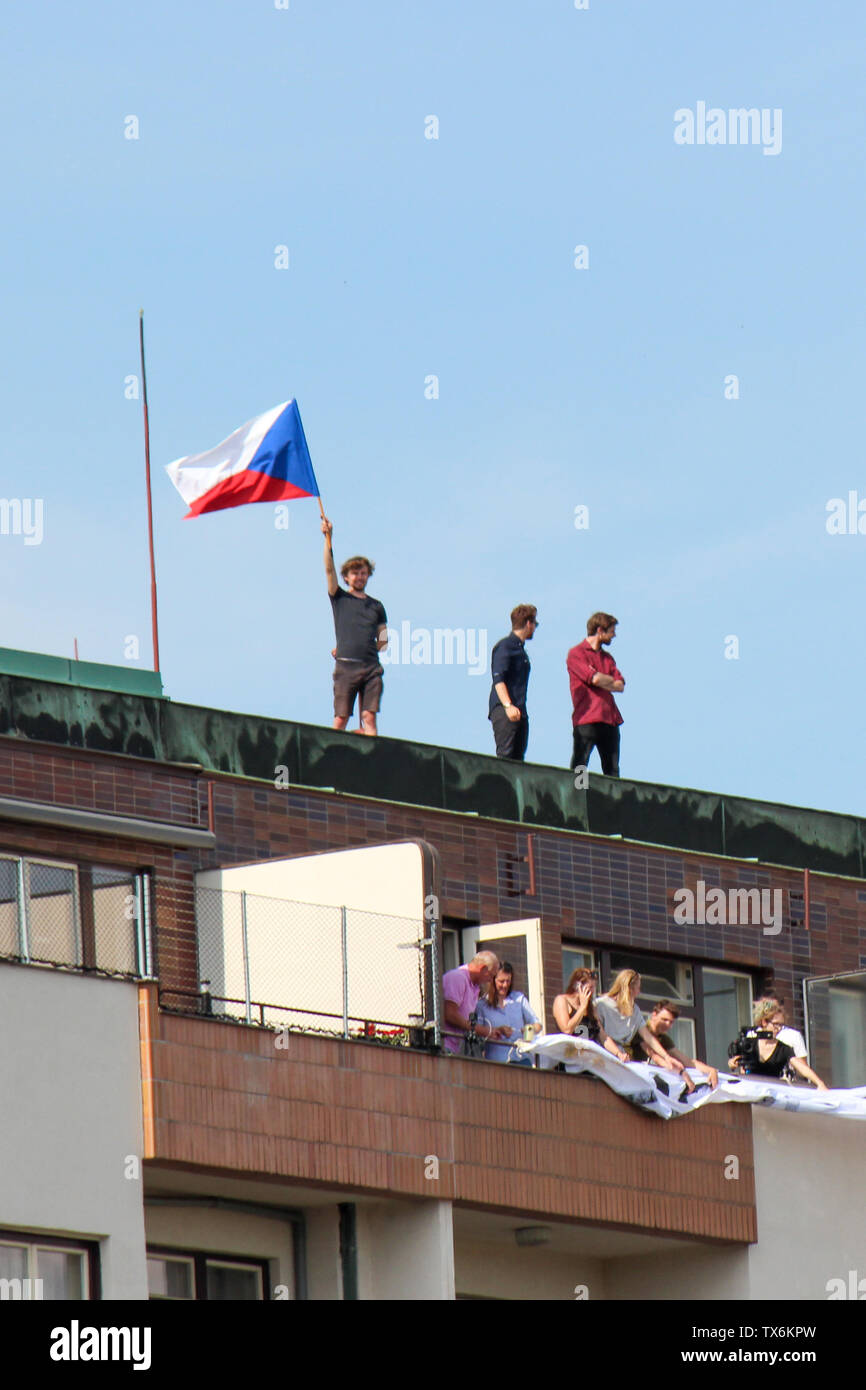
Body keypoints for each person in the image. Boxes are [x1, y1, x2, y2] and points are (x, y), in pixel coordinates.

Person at [322, 517, 388, 736]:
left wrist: (364, 647)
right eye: (355, 573)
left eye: (363, 573)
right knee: (340, 718)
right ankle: (331, 752)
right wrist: (328, 538)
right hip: (346, 666)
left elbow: (384, 640)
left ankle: (372, 756)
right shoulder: (340, 598)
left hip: (370, 667)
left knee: (369, 718)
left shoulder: (377, 606)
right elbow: (329, 571)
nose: (360, 577)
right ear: (347, 577)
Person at [594, 969, 691, 1084]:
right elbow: (602, 1035)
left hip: (621, 1059)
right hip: (602, 1054)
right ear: (629, 988)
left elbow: (648, 1037)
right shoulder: (601, 1005)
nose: (639, 992)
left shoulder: (634, 1011)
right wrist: (618, 1054)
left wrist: (666, 1057)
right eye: (638, 988)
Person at [566, 612, 625, 777]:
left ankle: (612, 800)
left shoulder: (607, 658)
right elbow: (595, 679)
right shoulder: (576, 653)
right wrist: (607, 681)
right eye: (611, 631)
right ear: (600, 630)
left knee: (612, 769)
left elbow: (620, 685)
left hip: (610, 720)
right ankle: (578, 796)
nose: (614, 635)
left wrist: (602, 679)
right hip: (587, 718)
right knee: (581, 765)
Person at [730, 1000, 827, 1088]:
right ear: (764, 1022)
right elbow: (736, 1063)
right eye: (776, 1024)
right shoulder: (749, 1044)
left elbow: (802, 1067)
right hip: (750, 1090)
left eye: (781, 1025)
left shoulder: (784, 1048)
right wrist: (732, 1063)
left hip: (772, 1094)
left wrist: (820, 1083)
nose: (779, 1028)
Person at [488, 605, 538, 760]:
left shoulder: (520, 649)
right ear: (529, 623)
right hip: (506, 709)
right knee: (506, 758)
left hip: (520, 710)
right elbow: (498, 679)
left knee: (518, 761)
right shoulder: (506, 646)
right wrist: (508, 706)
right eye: (535, 624)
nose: (535, 628)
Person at [552, 967, 631, 1062]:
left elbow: (602, 1035)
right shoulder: (562, 1000)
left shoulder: (591, 1008)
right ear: (578, 986)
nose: (592, 991)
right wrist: (582, 1007)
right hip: (568, 1059)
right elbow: (567, 1029)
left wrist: (618, 1054)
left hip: (587, 1060)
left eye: (594, 987)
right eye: (590, 988)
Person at [637, 1000, 719, 1089]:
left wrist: (711, 1070)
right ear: (654, 1015)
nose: (668, 1024)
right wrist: (682, 1073)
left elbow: (687, 1061)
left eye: (671, 1022)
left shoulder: (664, 1039)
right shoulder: (641, 1030)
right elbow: (655, 1057)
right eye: (664, 1019)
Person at [441, 951, 509, 1055]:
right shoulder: (458, 978)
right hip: (446, 1046)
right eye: (491, 976)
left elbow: (466, 1020)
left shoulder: (475, 986)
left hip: (458, 1047)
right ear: (482, 969)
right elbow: (450, 1014)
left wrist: (489, 1031)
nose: (490, 981)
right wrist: (484, 1031)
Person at [475, 961, 541, 1064]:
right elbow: (478, 1034)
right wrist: (497, 1031)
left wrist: (528, 1031)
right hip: (497, 1062)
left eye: (508, 981)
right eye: (501, 981)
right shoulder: (482, 1005)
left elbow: (537, 1025)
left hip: (521, 1059)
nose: (505, 985)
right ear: (493, 981)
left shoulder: (519, 999)